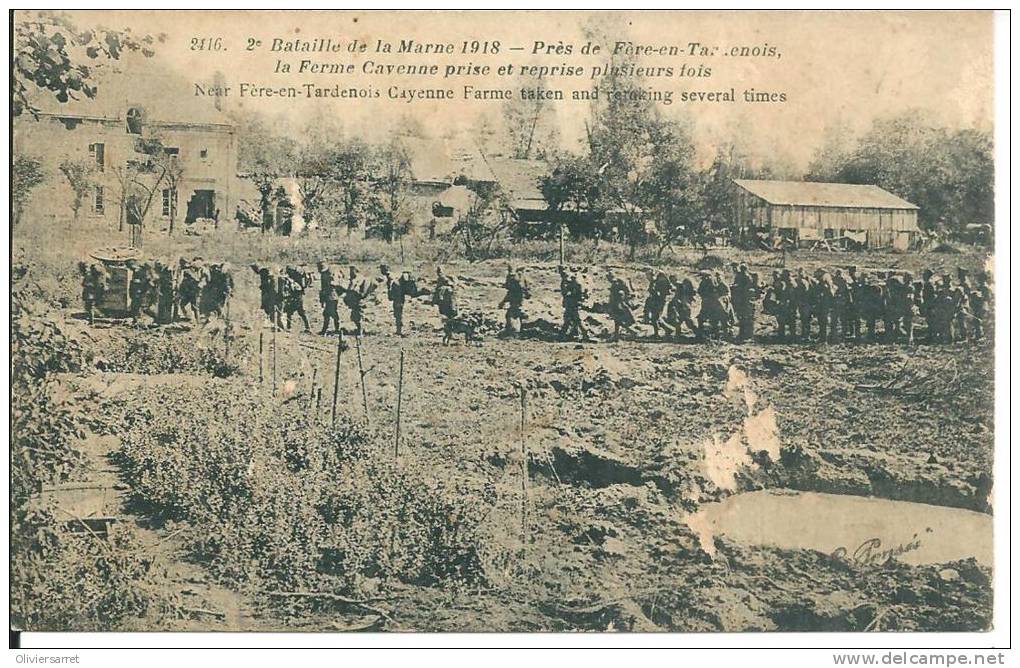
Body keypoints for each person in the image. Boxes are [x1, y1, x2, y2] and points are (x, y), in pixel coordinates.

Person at [558, 265, 590, 341]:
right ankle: (566, 334)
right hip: (571, 302)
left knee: (576, 319)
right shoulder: (573, 279)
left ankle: (585, 334)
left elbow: (575, 291)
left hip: (573, 303)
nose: (562, 273)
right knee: (569, 319)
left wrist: (573, 296)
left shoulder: (574, 280)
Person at [280, 265, 312, 332]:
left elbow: (296, 288)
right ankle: (307, 327)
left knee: (298, 312)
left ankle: (307, 328)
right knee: (294, 312)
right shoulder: (296, 277)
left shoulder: (294, 279)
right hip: (297, 297)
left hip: (297, 297)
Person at [498, 265, 528, 336]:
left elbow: (510, 292)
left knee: (511, 314)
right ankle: (515, 330)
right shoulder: (520, 277)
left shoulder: (513, 278)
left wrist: (503, 302)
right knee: (514, 313)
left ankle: (513, 331)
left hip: (516, 298)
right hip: (518, 298)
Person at [666, 275, 698, 341]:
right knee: (679, 321)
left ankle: (699, 334)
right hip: (682, 306)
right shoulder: (679, 285)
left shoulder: (679, 285)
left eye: (672, 280)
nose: (672, 281)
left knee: (687, 322)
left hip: (683, 306)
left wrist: (676, 301)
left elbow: (679, 296)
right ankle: (678, 335)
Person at [730, 264, 757, 342]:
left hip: (745, 300)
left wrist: (736, 287)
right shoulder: (741, 276)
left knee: (747, 318)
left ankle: (747, 335)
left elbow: (745, 288)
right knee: (742, 317)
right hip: (742, 299)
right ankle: (743, 334)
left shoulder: (746, 277)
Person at [607, 272, 637, 341]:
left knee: (618, 321)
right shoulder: (618, 283)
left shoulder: (615, 284)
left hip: (617, 306)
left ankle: (632, 331)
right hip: (619, 305)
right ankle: (617, 336)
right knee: (617, 321)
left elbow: (614, 297)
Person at [177, 258, 208, 322]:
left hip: (194, 291)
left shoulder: (189, 271)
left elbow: (199, 280)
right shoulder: (188, 271)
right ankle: (189, 317)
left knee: (194, 307)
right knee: (184, 305)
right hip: (189, 292)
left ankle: (197, 321)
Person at [344, 266, 371, 337]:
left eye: (351, 271)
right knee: (354, 316)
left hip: (358, 301)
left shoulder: (360, 279)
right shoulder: (353, 279)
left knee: (359, 317)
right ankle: (359, 330)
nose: (350, 273)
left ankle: (361, 332)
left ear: (356, 271)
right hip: (353, 301)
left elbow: (361, 291)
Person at [645, 271, 673, 338]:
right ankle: (667, 330)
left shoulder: (655, 282)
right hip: (656, 302)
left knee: (655, 318)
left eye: (647, 275)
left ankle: (658, 333)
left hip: (658, 302)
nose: (646, 277)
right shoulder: (654, 281)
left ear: (651, 275)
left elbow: (657, 293)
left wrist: (652, 293)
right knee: (656, 318)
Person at [317, 262, 343, 336]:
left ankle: (334, 329)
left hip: (332, 297)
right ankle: (329, 329)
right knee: (328, 314)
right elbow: (323, 288)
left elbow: (334, 285)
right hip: (327, 296)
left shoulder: (331, 274)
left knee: (330, 313)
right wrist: (322, 299)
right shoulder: (323, 275)